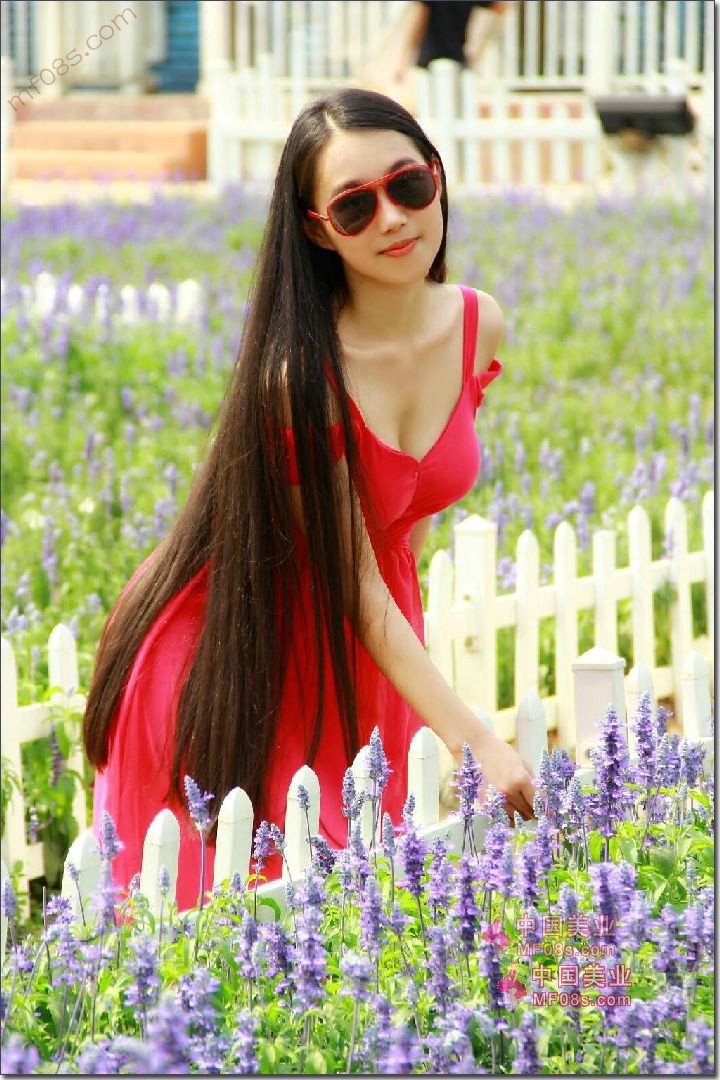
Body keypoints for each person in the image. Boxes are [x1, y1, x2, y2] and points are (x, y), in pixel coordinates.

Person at [83, 88, 536, 911]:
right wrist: (474, 740)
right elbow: (352, 580)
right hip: (242, 644)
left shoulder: (478, 324)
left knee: (353, 905)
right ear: (318, 229)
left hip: (367, 636)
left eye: (408, 184)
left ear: (437, 177)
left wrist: (411, 664)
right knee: (236, 920)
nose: (393, 219)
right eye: (354, 206)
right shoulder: (303, 374)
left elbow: (407, 523)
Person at [390, 1, 509, 81]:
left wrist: (402, 61)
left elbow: (417, 20)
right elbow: (498, 7)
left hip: (431, 61)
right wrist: (477, 49)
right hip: (455, 59)